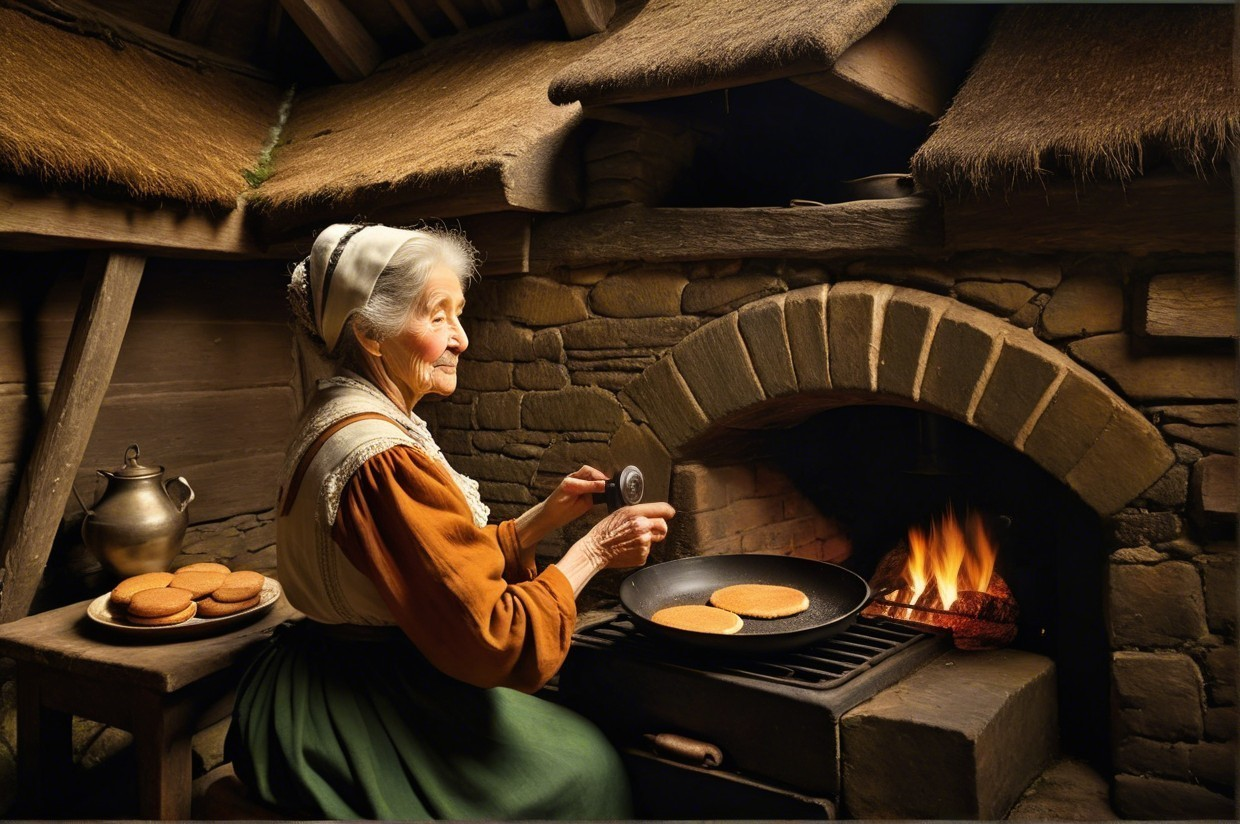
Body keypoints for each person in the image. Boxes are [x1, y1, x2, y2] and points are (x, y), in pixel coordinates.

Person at [225, 222, 675, 819]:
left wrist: (541, 521)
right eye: (437, 317)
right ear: (371, 335)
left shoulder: (350, 408)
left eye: (457, 314)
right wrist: (592, 551)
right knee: (588, 768)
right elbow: (493, 638)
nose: (460, 338)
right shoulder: (382, 458)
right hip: (358, 702)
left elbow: (430, 560)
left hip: (326, 671)